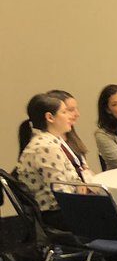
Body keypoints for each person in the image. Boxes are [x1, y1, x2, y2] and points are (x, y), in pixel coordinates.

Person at [16, 93, 95, 229]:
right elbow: (61, 195)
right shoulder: (46, 147)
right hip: (58, 215)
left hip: (60, 211)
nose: (70, 116)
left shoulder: (49, 141)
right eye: (64, 112)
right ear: (50, 117)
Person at [46, 89, 91, 170]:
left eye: (76, 109)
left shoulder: (70, 134)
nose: (77, 114)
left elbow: (83, 167)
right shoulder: (48, 145)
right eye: (70, 110)